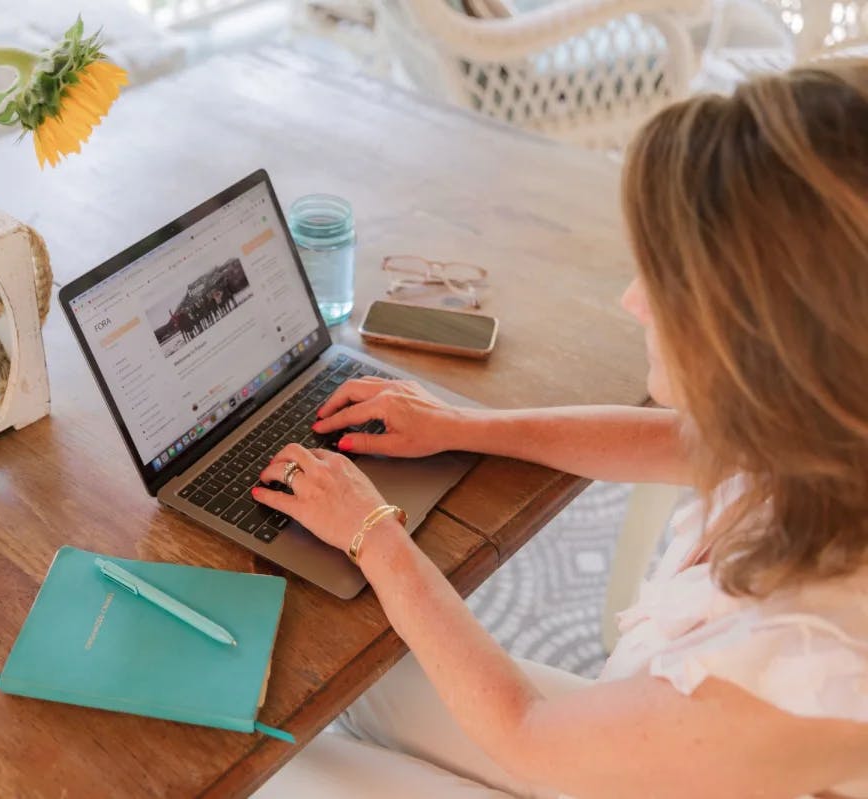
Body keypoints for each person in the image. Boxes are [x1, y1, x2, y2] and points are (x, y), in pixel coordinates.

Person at [253, 60, 868, 799]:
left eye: (669, 283)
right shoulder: (823, 436)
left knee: (283, 767)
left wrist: (373, 532)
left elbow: (528, 734)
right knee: (364, 685)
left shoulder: (806, 674)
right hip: (646, 741)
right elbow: (685, 441)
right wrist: (461, 424)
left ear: (770, 341)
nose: (634, 300)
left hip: (582, 752)